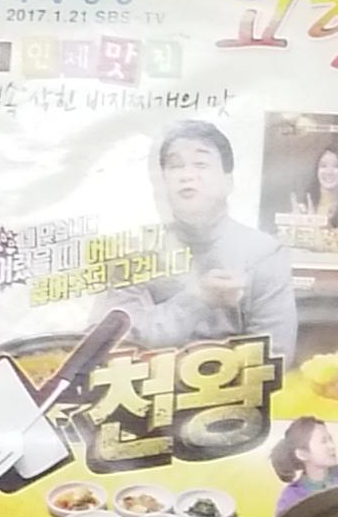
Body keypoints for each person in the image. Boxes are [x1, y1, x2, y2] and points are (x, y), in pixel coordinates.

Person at [112, 120, 297, 364]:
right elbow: (111, 343)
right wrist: (197, 300)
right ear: (162, 183)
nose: (187, 175)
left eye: (201, 164)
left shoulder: (265, 253)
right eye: (175, 166)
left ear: (229, 182)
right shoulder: (135, 252)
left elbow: (274, 357)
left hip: (233, 387)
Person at [269, 415, 338, 515]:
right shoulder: (290, 498)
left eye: (330, 439)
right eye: (323, 441)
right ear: (302, 454)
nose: (331, 446)